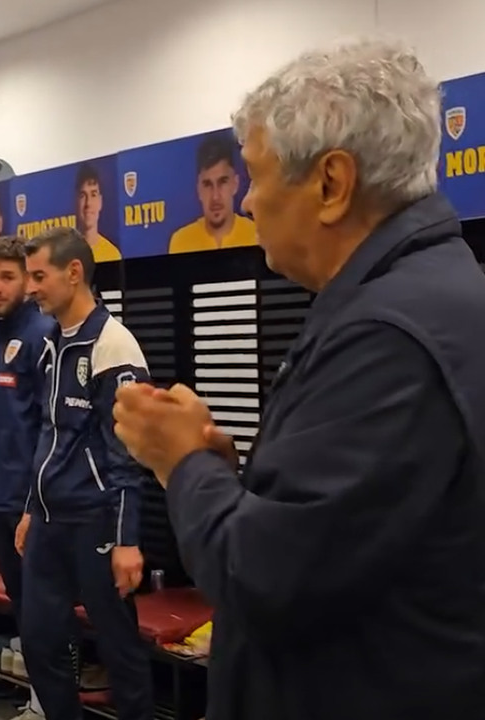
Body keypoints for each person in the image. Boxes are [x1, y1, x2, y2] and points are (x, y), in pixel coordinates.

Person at [113, 39, 485, 720]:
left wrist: (182, 463)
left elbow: (263, 580)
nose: (249, 202)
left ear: (331, 184)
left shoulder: (389, 337)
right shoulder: (421, 297)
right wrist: (224, 474)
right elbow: (343, 536)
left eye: (254, 175)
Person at [17, 227, 152, 720]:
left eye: (39, 276)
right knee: (39, 640)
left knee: (118, 646)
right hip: (50, 521)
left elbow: (127, 454)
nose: (30, 288)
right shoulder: (51, 343)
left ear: (74, 272)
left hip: (96, 520)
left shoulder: (114, 345)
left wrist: (126, 539)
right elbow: (49, 433)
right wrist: (32, 507)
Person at [0, 236, 56, 720]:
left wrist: (32, 505)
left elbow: (50, 428)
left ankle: (49, 704)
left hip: (32, 505)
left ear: (27, 280)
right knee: (23, 605)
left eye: (7, 277)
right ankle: (38, 699)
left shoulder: (44, 334)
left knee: (43, 608)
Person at [167, 134, 256, 254]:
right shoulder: (180, 241)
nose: (215, 196)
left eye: (222, 182)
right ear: (199, 189)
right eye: (208, 184)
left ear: (235, 184)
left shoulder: (256, 235)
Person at [73, 164, 122, 262]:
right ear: (75, 201)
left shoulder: (112, 254)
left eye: (93, 195)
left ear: (100, 201)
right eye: (83, 195)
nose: (88, 203)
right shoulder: (64, 254)